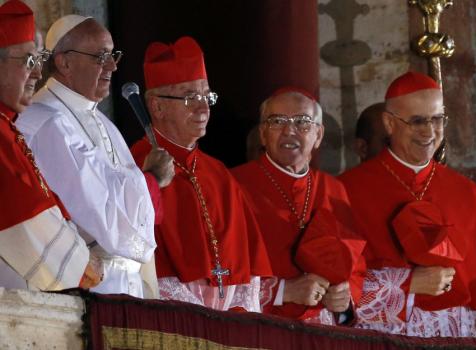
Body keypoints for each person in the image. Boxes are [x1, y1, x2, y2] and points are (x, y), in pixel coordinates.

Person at [339, 71, 476, 345]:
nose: (430, 132)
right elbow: (336, 292)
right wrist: (408, 284)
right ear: (389, 123)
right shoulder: (347, 190)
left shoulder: (464, 191)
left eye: (438, 119)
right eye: (417, 121)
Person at [16, 15, 174, 298]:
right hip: (85, 289)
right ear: (64, 62)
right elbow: (94, 206)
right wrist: (151, 178)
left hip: (123, 285)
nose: (112, 65)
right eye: (101, 56)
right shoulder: (44, 121)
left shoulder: (105, 124)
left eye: (113, 55)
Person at [131, 36, 271, 311]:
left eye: (207, 96)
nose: (203, 108)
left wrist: (238, 316)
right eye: (190, 97)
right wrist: (199, 320)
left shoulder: (218, 172)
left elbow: (247, 265)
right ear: (157, 106)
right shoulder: (134, 165)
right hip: (173, 319)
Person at [232, 88, 365, 325]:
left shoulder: (334, 189)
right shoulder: (233, 186)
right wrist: (284, 291)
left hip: (323, 332)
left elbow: (355, 267)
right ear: (263, 134)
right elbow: (221, 275)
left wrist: (344, 297)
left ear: (319, 134)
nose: (289, 131)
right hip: (261, 330)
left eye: (303, 122)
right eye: (277, 122)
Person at [0, 0, 101, 291]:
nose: (37, 74)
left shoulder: (9, 127)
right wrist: (79, 263)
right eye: (28, 61)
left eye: (39, 61)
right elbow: (21, 211)